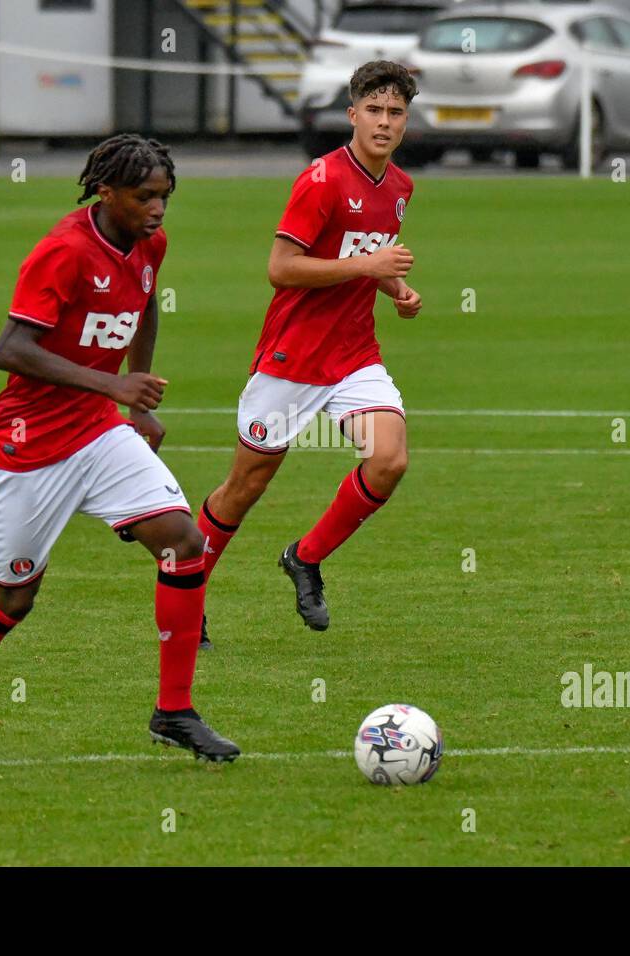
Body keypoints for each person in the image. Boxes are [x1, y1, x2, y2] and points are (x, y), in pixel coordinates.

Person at [0, 134, 239, 764]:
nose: (158, 209)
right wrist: (114, 383)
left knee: (183, 542)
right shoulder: (63, 252)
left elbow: (145, 307)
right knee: (15, 596)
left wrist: (136, 406)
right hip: (29, 444)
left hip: (98, 432)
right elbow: (10, 350)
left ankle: (173, 710)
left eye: (166, 197)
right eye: (145, 197)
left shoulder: (150, 244)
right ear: (106, 191)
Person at [196, 61, 423, 637]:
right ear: (352, 115)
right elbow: (282, 269)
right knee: (244, 487)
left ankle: (306, 557)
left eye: (395, 112)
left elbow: (360, 254)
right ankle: (188, 588)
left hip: (353, 355)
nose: (384, 122)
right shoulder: (320, 180)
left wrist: (392, 286)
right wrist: (371, 265)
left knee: (390, 459)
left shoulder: (400, 187)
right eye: (373, 110)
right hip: (292, 358)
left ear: (405, 122)